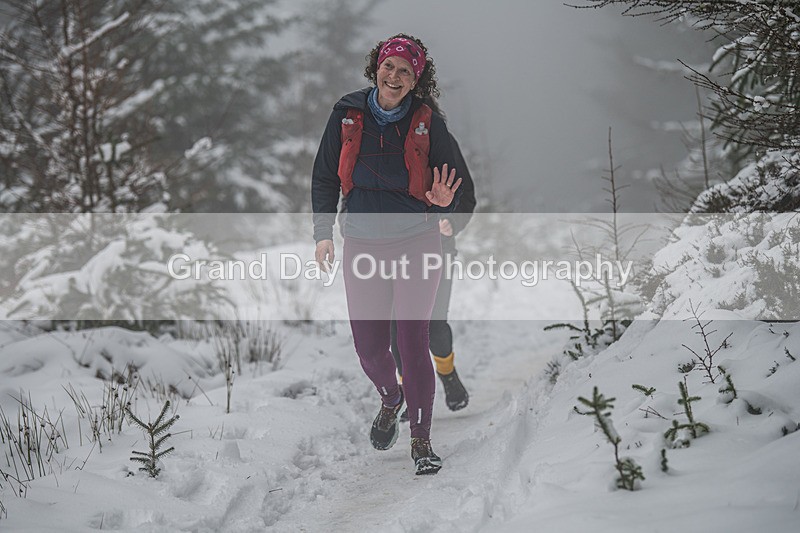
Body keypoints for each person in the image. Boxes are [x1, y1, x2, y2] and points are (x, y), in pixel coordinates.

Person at [312, 34, 462, 475]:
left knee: (412, 339)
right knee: (369, 347)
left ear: (416, 80)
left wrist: (442, 201)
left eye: (405, 72)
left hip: (417, 240)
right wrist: (323, 234)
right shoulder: (347, 114)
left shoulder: (429, 123)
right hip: (361, 242)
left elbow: (451, 190)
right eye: (388, 66)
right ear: (375, 67)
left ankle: (421, 439)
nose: (394, 77)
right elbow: (324, 177)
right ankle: (391, 398)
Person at [390, 106, 476, 417]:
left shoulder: (443, 142)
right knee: (395, 327)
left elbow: (466, 196)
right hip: (389, 249)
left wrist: (452, 223)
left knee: (433, 325)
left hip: (436, 248)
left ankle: (448, 374)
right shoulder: (377, 141)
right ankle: (407, 393)